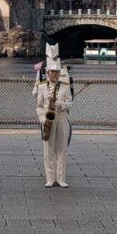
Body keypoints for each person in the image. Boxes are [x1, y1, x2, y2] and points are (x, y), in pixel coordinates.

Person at [36, 56, 72, 188]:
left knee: (61, 148)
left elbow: (70, 104)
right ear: (48, 73)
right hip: (48, 119)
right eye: (52, 72)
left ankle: (60, 179)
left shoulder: (65, 86)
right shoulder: (42, 86)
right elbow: (39, 106)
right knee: (48, 150)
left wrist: (61, 104)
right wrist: (42, 119)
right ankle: (50, 179)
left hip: (61, 118)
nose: (55, 74)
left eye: (57, 72)